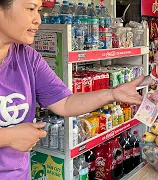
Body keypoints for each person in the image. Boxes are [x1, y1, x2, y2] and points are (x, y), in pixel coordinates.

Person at [0, 0, 144, 179]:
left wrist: (111, 93)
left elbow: (65, 103)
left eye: (39, 10)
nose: (38, 19)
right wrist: (7, 137)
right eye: (30, 9)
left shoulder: (28, 58)